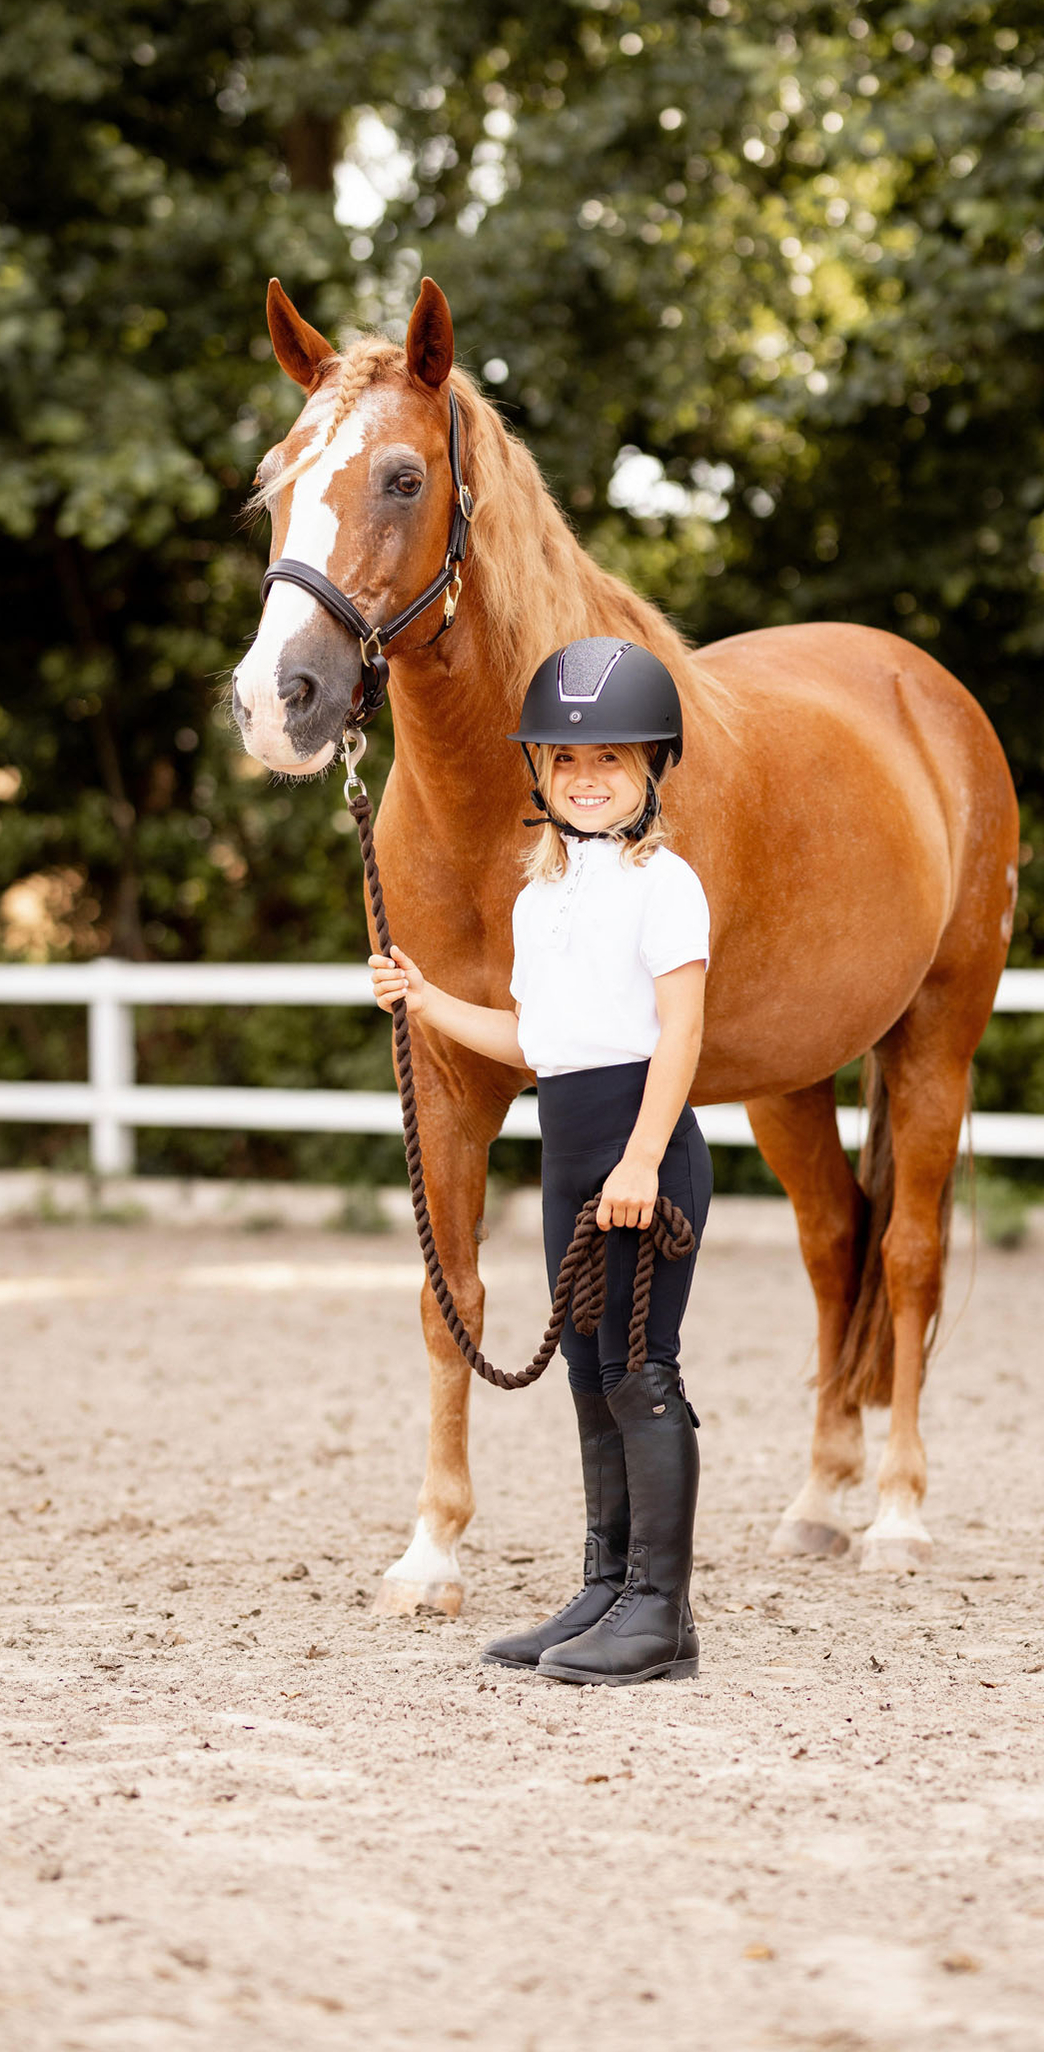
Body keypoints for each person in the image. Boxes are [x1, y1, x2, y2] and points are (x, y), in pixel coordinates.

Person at [368, 636, 711, 1686]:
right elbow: (536, 1039)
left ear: (651, 766)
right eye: (566, 760)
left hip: (635, 1146)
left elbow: (682, 1031)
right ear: (541, 776)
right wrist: (423, 998)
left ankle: (662, 1613)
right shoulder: (540, 895)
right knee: (586, 1371)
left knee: (640, 1373)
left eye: (609, 758)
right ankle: (605, 1585)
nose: (587, 776)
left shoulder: (668, 884)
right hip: (568, 1145)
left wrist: (644, 1157)